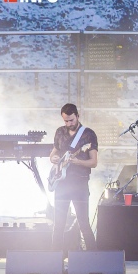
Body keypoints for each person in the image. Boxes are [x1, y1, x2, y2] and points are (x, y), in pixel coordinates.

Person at [50, 103, 98, 253]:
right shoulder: (60, 132)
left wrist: (79, 162)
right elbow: (53, 154)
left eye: (71, 120)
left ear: (77, 116)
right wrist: (54, 159)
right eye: (66, 121)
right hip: (61, 185)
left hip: (80, 184)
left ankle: (93, 258)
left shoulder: (88, 135)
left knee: (83, 223)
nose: (69, 124)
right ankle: (55, 259)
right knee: (58, 224)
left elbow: (94, 162)